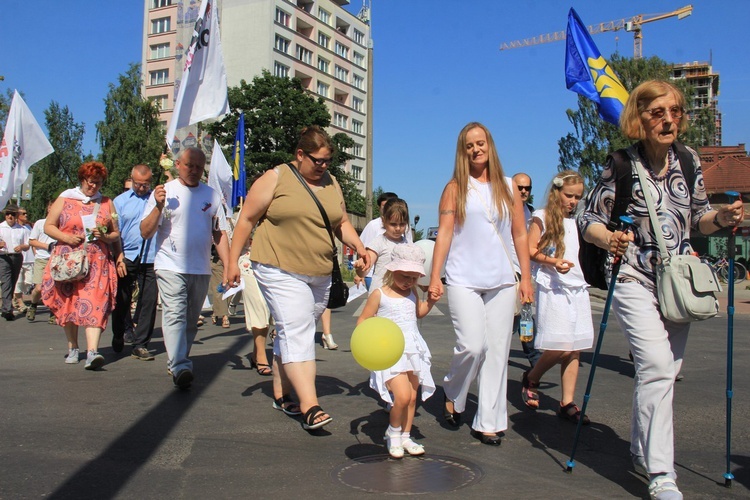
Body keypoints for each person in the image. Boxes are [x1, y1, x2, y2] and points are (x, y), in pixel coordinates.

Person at [579, 80, 745, 500]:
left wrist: (721, 217)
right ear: (639, 118)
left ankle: (640, 448)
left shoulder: (688, 160)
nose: (669, 119)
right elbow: (588, 219)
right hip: (633, 276)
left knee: (662, 373)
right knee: (654, 364)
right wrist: (609, 239)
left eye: (675, 111)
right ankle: (661, 473)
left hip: (679, 281)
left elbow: (698, 219)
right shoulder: (619, 164)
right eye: (658, 112)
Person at [226, 125, 370, 431]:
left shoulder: (331, 182)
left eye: (327, 161)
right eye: (317, 160)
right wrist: (231, 262)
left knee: (295, 331)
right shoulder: (276, 177)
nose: (322, 166)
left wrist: (358, 244)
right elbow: (246, 220)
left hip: (319, 272)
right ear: (300, 154)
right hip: (277, 266)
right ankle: (310, 405)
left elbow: (340, 220)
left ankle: (282, 393)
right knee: (298, 331)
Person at [428, 122, 533, 446]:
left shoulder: (507, 186)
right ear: (463, 151)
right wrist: (435, 275)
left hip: (502, 280)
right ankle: (454, 391)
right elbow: (444, 233)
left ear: (489, 145)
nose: (476, 149)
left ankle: (488, 421)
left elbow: (519, 234)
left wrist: (525, 278)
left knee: (498, 352)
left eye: (480, 142)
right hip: (463, 279)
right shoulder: (455, 188)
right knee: (473, 346)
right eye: (469, 145)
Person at [141, 147, 230, 389]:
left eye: (199, 167)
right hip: (169, 264)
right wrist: (158, 207)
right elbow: (145, 231)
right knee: (175, 314)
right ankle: (180, 364)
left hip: (200, 267)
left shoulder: (211, 196)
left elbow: (219, 233)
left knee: (191, 320)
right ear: (178, 164)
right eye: (189, 165)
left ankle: (177, 360)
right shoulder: (164, 193)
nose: (193, 171)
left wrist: (231, 265)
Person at [521, 171, 593, 424]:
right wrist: (552, 262)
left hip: (576, 285)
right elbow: (530, 250)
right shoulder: (541, 218)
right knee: (559, 345)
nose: (573, 201)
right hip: (553, 285)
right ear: (556, 192)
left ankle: (567, 401)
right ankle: (533, 376)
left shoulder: (578, 221)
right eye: (569, 196)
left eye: (578, 197)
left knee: (575, 348)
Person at [357, 244, 437, 458]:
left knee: (412, 398)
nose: (409, 281)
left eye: (414, 277)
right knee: (401, 396)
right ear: (392, 271)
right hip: (390, 351)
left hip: (412, 349)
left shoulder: (412, 293)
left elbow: (418, 313)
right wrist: (368, 343)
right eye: (404, 276)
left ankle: (406, 435)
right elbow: (363, 320)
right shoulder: (379, 294)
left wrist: (430, 302)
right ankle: (393, 433)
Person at [42, 162, 120, 369]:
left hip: (97, 262)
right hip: (68, 260)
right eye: (91, 182)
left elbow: (115, 233)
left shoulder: (106, 202)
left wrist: (105, 236)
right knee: (69, 303)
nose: (94, 187)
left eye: (99, 183)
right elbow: (48, 226)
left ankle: (93, 352)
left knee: (96, 302)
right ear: (82, 179)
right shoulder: (65, 198)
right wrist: (66, 237)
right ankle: (73, 347)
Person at [111, 164, 158, 361]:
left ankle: (141, 344)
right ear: (131, 179)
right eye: (138, 184)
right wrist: (118, 256)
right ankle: (119, 332)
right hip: (128, 255)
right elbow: (115, 233)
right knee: (121, 299)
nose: (141, 188)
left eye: (146, 185)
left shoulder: (157, 199)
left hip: (152, 257)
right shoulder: (120, 201)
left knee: (149, 301)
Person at [511, 173, 541, 367]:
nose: (523, 191)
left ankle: (535, 362)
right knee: (511, 322)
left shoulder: (533, 213)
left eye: (526, 188)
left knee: (525, 320)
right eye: (519, 187)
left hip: (527, 276)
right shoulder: (503, 211)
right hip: (508, 273)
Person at [358, 192, 413, 290]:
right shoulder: (379, 242)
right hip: (380, 292)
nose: (398, 228)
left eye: (402, 224)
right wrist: (360, 269)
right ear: (383, 221)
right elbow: (367, 265)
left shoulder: (407, 244)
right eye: (393, 224)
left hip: (401, 293)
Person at [237, 233, 274, 376]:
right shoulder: (248, 210)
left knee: (269, 309)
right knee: (259, 306)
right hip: (250, 259)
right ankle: (261, 357)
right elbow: (240, 233)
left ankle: (256, 353)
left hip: (275, 260)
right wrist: (230, 264)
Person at [27, 201, 56, 323]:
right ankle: (33, 304)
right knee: (39, 288)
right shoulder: (40, 223)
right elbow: (32, 241)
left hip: (56, 260)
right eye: (52, 206)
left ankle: (53, 313)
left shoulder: (61, 224)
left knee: (54, 288)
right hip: (42, 259)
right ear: (48, 208)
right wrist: (47, 246)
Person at [0, 206, 30, 321]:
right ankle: (7, 310)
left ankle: (6, 306)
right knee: (6, 282)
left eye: (12, 214)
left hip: (17, 257)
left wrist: (22, 246)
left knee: (13, 282)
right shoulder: (1, 227)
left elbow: (27, 245)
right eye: (8, 214)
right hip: (4, 257)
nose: (10, 216)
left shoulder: (21, 229)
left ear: (16, 216)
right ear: (5, 215)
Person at [13, 208, 33, 314]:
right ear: (18, 215)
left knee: (28, 282)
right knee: (19, 282)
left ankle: (15, 297)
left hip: (30, 258)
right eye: (23, 213)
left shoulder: (28, 227)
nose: (26, 215)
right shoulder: (15, 228)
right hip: (19, 258)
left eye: (26, 213)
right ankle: (20, 302)